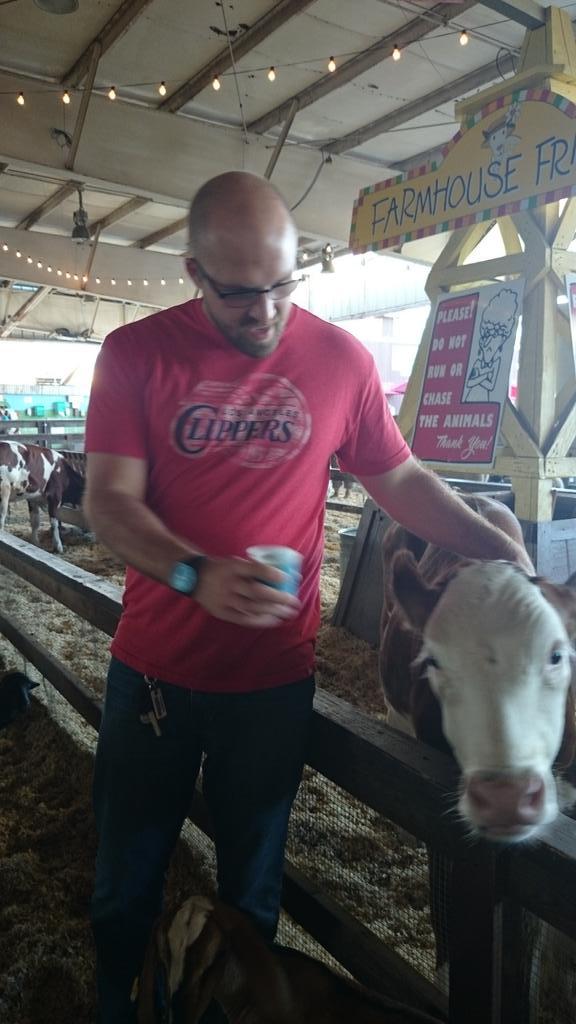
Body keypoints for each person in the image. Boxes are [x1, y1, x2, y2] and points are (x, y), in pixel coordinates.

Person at [84, 171, 532, 1024]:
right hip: (153, 679)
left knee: (252, 898)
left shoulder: (340, 360)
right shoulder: (137, 354)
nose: (264, 312)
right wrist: (195, 572)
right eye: (238, 294)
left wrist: (489, 540)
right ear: (194, 272)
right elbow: (108, 503)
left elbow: (397, 476)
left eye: (282, 286)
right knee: (123, 887)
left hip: (271, 685)